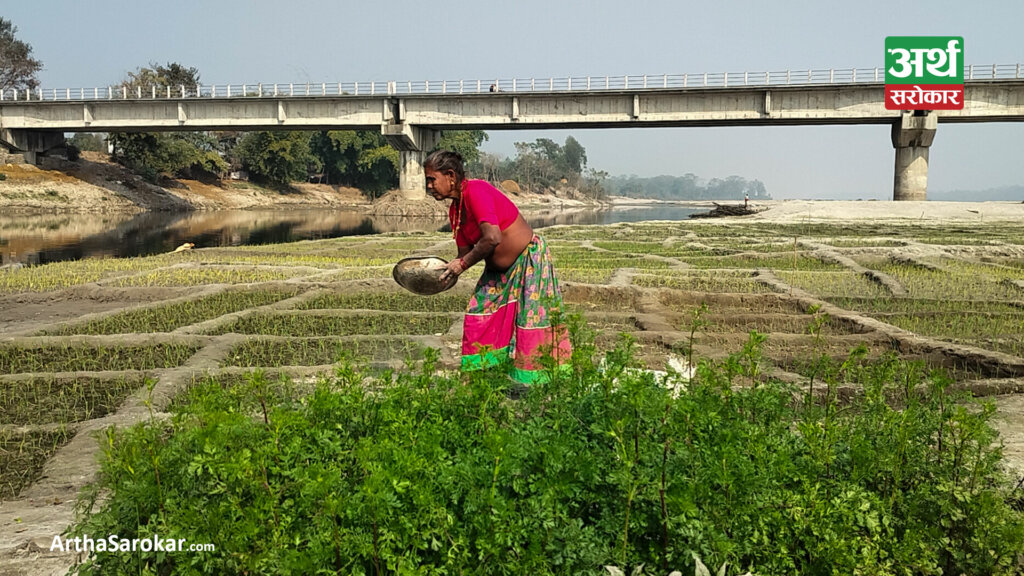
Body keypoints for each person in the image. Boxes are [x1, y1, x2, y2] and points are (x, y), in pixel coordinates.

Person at [427, 150, 571, 384]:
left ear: (451, 176)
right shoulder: (456, 211)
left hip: (527, 262)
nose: (430, 186)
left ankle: (541, 381)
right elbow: (464, 254)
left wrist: (461, 265)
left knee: (531, 321)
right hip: (498, 273)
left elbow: (492, 237)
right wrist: (443, 275)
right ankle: (484, 377)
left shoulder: (477, 191)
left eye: (432, 179)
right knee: (479, 313)